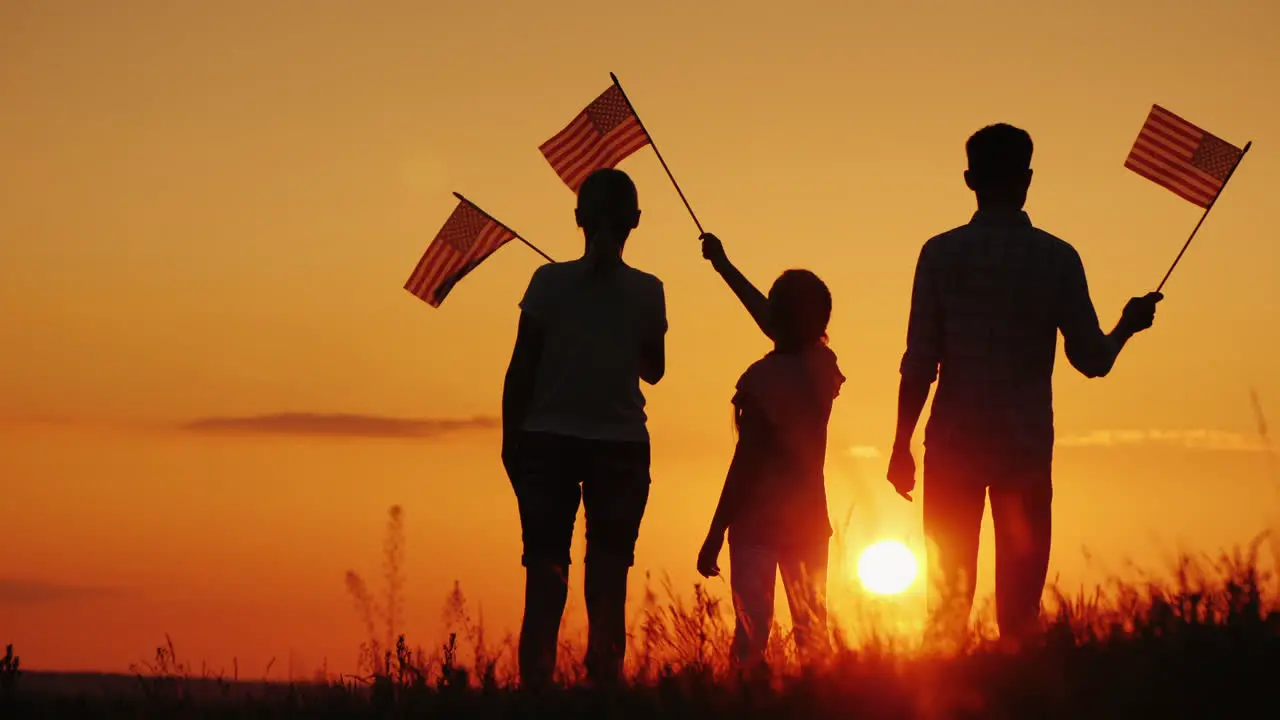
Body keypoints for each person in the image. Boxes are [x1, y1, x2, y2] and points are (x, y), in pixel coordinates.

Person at [886, 123, 1163, 648]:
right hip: (1025, 452)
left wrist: (901, 445)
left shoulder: (940, 255)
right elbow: (1092, 360)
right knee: (1020, 619)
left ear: (969, 179)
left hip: (953, 449)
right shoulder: (1057, 258)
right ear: (1028, 179)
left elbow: (919, 361)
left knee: (945, 613)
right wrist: (1127, 325)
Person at [501, 167, 667, 688]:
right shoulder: (647, 290)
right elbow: (654, 370)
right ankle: (603, 697)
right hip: (620, 448)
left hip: (546, 444)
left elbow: (521, 366)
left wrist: (511, 441)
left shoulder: (548, 283)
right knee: (608, 581)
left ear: (578, 219)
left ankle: (537, 696)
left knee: (545, 578)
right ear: (635, 222)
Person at [695, 232, 845, 668]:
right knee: (812, 633)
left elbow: (746, 464)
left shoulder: (760, 381)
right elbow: (775, 321)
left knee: (751, 636)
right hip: (808, 522)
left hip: (756, 526)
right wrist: (723, 266)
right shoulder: (823, 368)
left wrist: (715, 530)